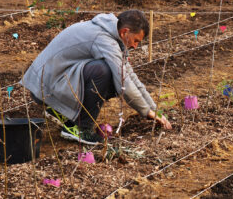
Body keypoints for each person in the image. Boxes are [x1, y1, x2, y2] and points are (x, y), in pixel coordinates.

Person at [21, 9, 172, 145]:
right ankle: (81, 128)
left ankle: (61, 112)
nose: (135, 46)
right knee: (104, 72)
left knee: (110, 73)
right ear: (125, 31)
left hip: (51, 83)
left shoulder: (113, 33)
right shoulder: (103, 40)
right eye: (136, 40)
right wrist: (147, 112)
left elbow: (130, 74)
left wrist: (154, 110)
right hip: (45, 88)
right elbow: (124, 83)